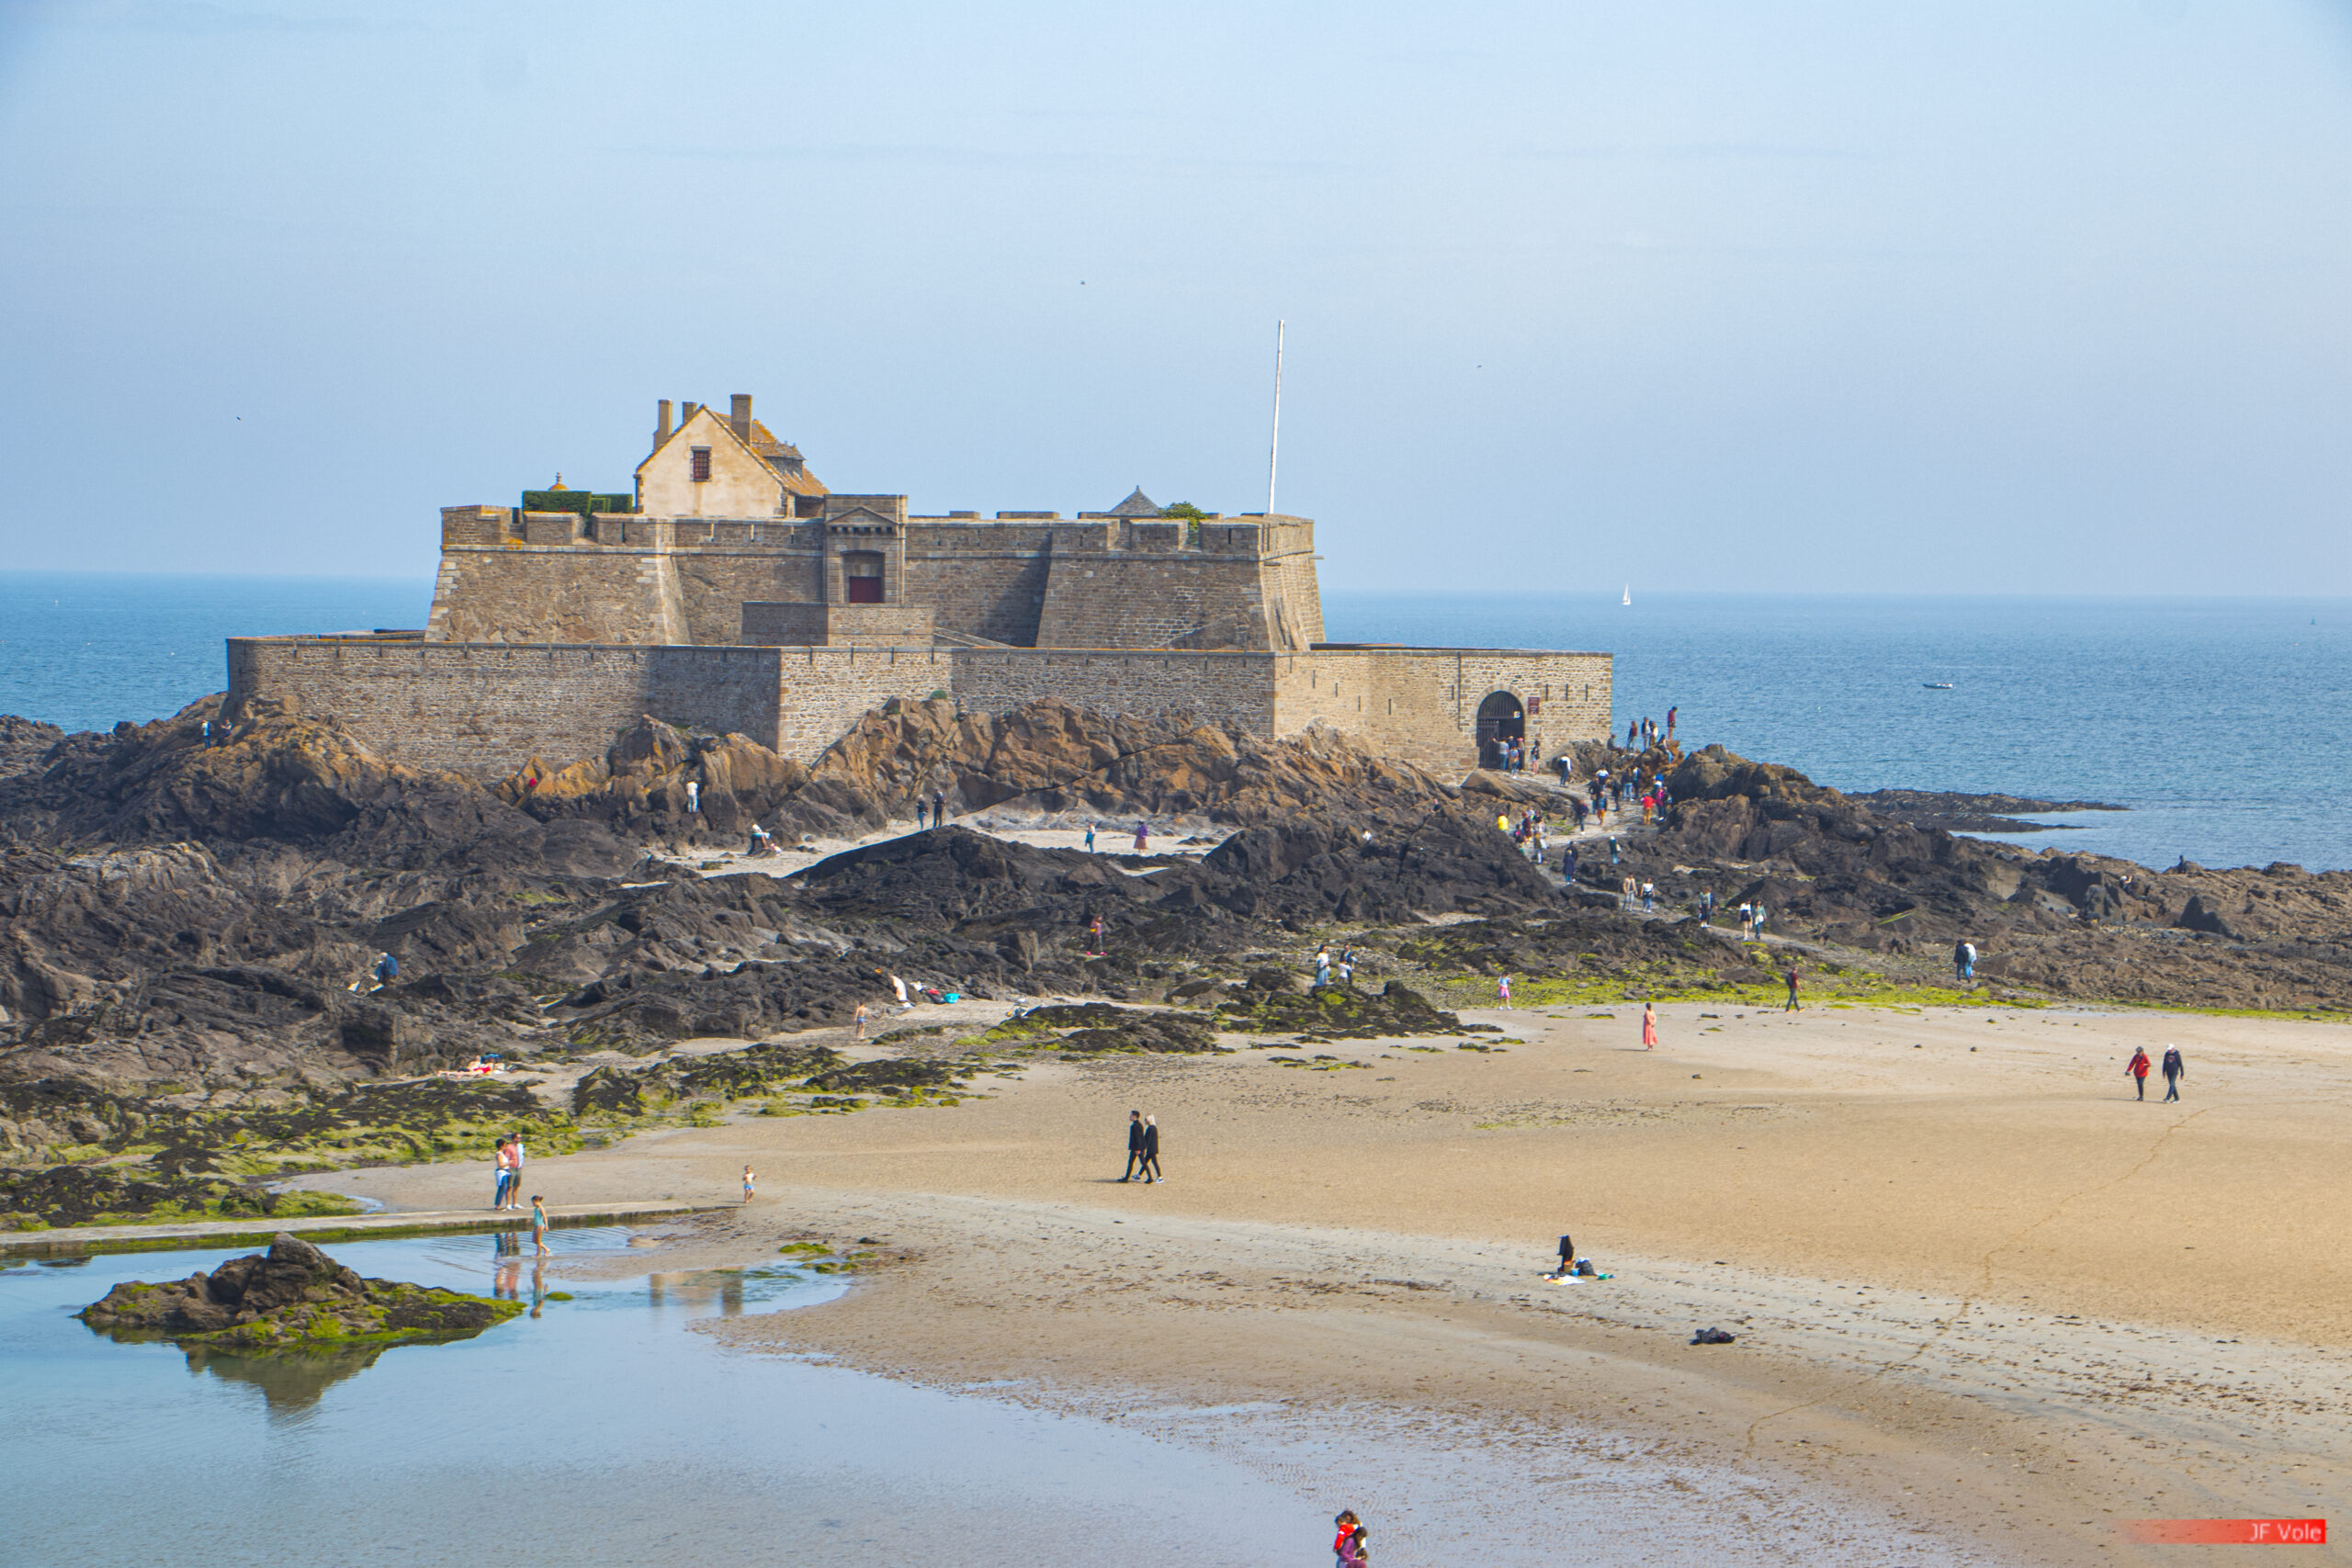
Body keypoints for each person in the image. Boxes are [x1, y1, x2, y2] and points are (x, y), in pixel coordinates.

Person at [1122, 1110, 1147, 1180]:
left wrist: (1138, 1148)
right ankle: (1127, 1177)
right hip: (1138, 1148)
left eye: (1131, 1115)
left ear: (1135, 1116)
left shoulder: (1135, 1126)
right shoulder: (1138, 1125)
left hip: (1136, 1148)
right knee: (1142, 1162)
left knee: (1140, 1163)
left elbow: (1138, 1138)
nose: (1130, 1116)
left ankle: (1126, 1178)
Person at [491, 1135, 514, 1210]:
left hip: (504, 1172)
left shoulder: (501, 1153)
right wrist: (508, 1163)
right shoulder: (499, 1154)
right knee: (502, 1188)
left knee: (503, 1188)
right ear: (501, 1146)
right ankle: (498, 1205)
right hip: (501, 1172)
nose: (505, 1147)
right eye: (505, 1145)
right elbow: (500, 1165)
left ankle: (498, 1204)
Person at [507, 1132, 526, 1211]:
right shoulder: (509, 1147)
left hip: (518, 1168)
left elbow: (522, 1156)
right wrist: (508, 1168)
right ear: (514, 1138)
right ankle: (508, 1204)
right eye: (518, 1138)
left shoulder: (520, 1146)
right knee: (509, 1186)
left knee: (516, 1186)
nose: (520, 1139)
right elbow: (506, 1158)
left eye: (520, 1138)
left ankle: (515, 1203)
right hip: (511, 1168)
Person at [1140, 1115, 1162, 1182]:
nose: (1145, 1121)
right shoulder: (1154, 1128)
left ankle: (1160, 1177)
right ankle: (1139, 1174)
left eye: (1146, 1120)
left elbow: (1147, 1140)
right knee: (1145, 1162)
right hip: (1153, 1149)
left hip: (1151, 1149)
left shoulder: (1150, 1128)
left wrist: (1143, 1148)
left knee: (1154, 1163)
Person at [530, 1194, 550, 1258]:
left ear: (536, 1201)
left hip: (540, 1225)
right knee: (534, 1240)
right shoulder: (536, 1209)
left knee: (538, 1241)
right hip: (536, 1225)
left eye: (533, 1202)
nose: (533, 1204)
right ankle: (546, 1249)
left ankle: (538, 1254)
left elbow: (545, 1217)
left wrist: (546, 1226)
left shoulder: (541, 1208)